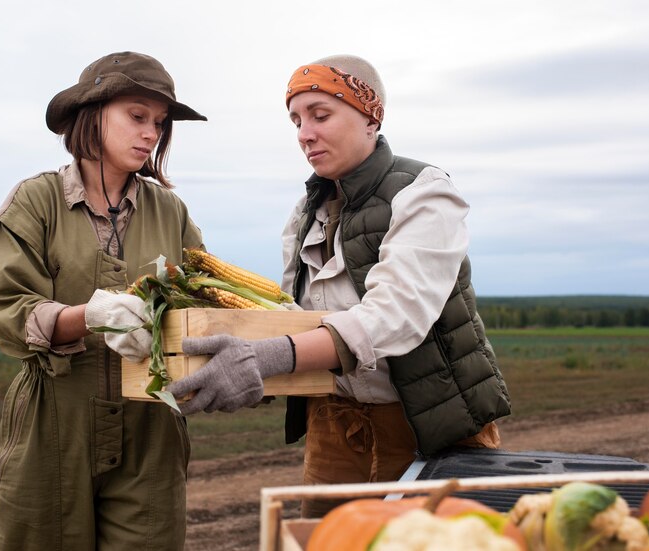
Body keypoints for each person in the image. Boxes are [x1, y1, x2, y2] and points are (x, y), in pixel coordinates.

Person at [166, 54, 512, 518]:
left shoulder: (423, 192)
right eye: (296, 120)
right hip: (334, 427)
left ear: (371, 116)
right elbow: (294, 317)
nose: (304, 133)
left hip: (428, 427)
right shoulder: (305, 213)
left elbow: (394, 315)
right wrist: (254, 372)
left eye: (320, 115)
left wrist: (269, 356)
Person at [0, 51, 206, 550]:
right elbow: (8, 308)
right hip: (54, 424)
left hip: (152, 425)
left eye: (160, 123)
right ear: (92, 113)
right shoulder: (34, 202)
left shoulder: (170, 211)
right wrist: (90, 316)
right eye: (136, 116)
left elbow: (201, 300)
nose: (150, 133)